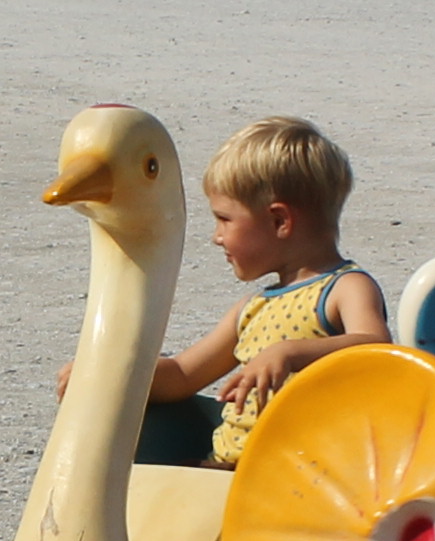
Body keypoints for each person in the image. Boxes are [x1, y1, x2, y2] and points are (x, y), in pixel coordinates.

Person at [157, 116, 392, 464]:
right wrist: (105, 374)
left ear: (279, 220)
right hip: (227, 468)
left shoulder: (344, 288)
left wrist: (291, 352)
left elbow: (377, 350)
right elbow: (182, 374)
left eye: (224, 219)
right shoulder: (251, 308)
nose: (216, 237)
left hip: (302, 476)